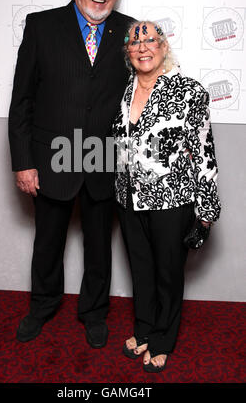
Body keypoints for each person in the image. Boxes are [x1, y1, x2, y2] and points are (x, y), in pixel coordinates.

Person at [8, 0, 133, 348]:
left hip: (103, 159)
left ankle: (94, 312)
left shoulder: (130, 31)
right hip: (51, 157)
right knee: (48, 241)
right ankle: (42, 306)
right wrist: (23, 162)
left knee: (99, 244)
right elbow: (22, 100)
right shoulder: (42, 26)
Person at [112, 20, 221, 371]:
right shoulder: (123, 91)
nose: (143, 48)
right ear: (127, 52)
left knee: (168, 273)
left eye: (150, 41)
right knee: (140, 269)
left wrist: (206, 213)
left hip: (172, 200)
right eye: (135, 42)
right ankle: (144, 328)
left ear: (163, 46)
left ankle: (162, 338)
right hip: (129, 197)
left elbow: (204, 153)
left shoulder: (189, 91)